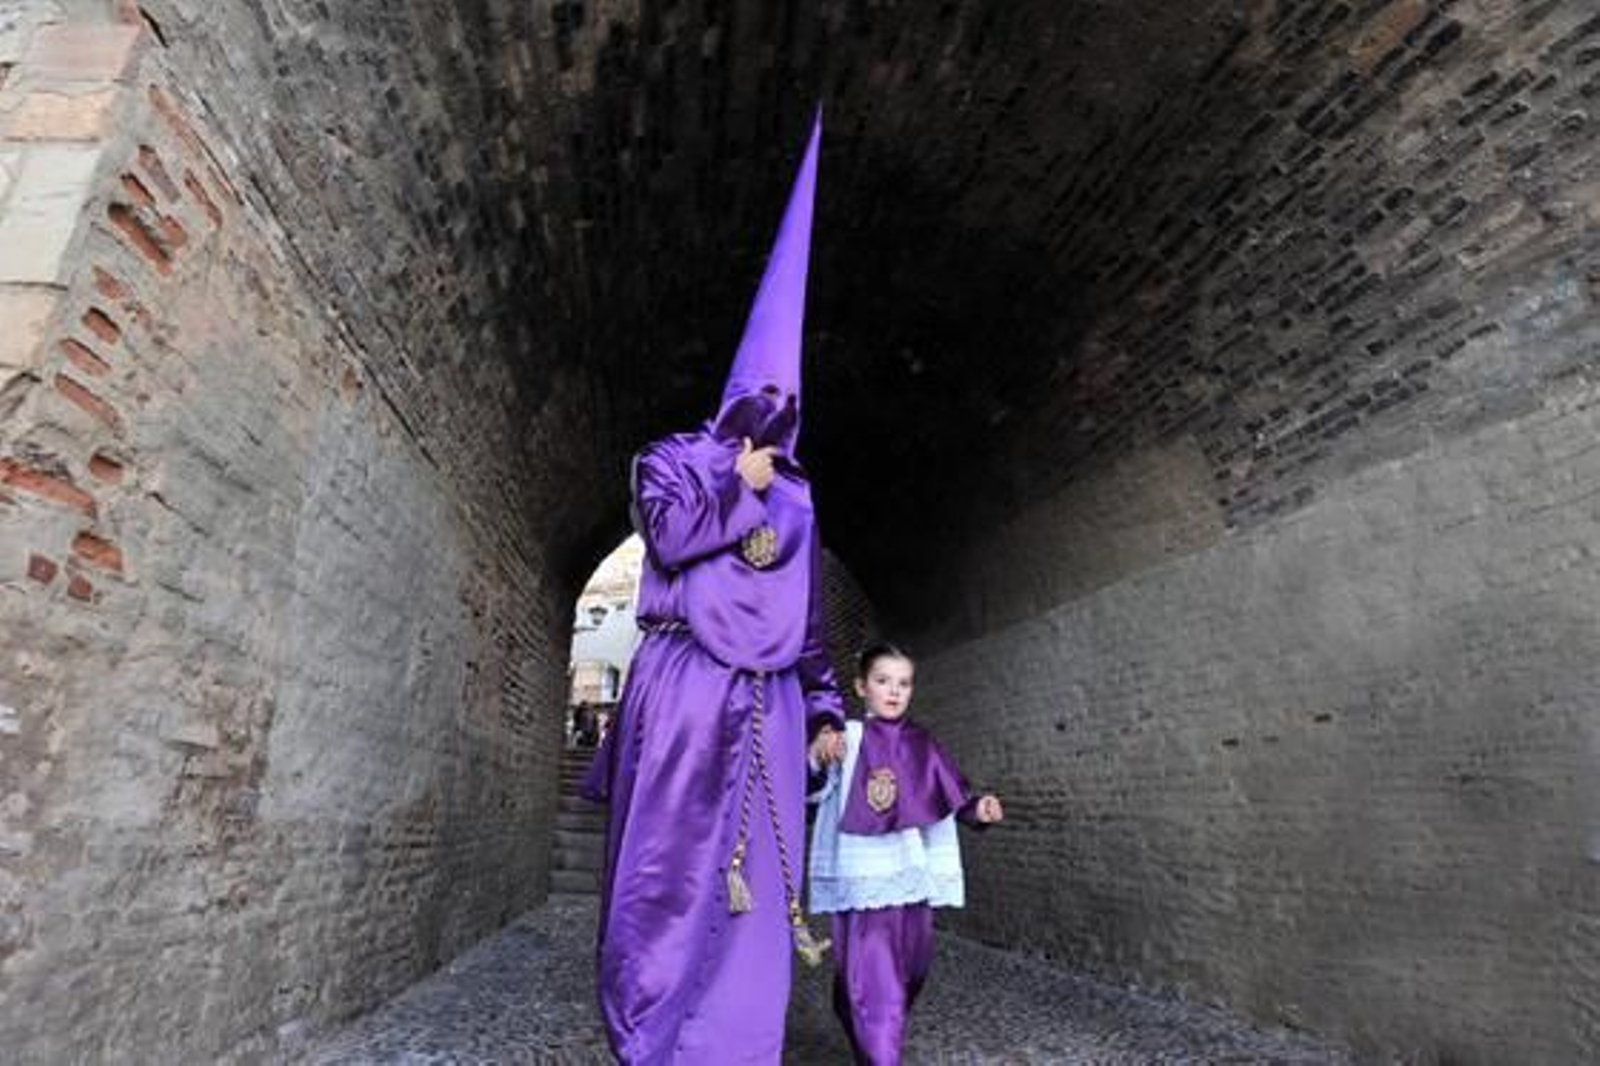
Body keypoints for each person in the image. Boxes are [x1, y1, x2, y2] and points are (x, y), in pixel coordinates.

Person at [581, 111, 846, 1064]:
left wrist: (822, 705)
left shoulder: (802, 497)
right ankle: (650, 1029)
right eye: (762, 413)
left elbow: (806, 616)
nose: (776, 427)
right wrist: (742, 489)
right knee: (670, 872)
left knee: (763, 885)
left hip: (769, 701)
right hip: (686, 687)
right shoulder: (673, 461)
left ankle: (737, 1044)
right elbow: (671, 537)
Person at [807, 641, 1004, 1065]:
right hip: (863, 881)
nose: (894, 691)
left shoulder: (922, 742)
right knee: (880, 990)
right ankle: (879, 1051)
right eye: (883, 681)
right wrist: (820, 755)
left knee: (910, 973)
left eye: (904, 683)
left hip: (911, 878)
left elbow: (951, 790)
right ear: (862, 687)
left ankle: (850, 1004)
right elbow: (817, 785)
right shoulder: (849, 736)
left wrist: (979, 809)